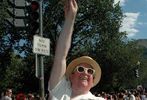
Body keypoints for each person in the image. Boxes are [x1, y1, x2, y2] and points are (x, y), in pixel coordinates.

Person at [48, 0, 104, 99]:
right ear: (71, 76)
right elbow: (60, 57)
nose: (85, 73)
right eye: (80, 69)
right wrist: (70, 19)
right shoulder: (59, 92)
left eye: (90, 71)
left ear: (93, 81)